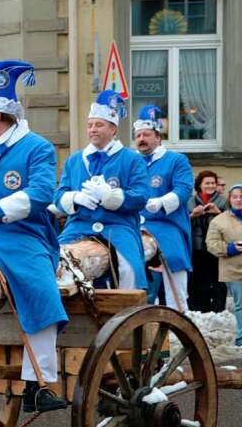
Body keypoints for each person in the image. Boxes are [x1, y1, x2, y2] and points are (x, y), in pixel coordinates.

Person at [0, 61, 68, 412]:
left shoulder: (37, 147)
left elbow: (41, 193)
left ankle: (37, 383)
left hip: (22, 237)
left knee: (40, 291)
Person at [54, 90, 148, 290]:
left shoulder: (132, 159)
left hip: (119, 226)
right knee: (55, 260)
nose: (92, 130)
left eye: (99, 125)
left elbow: (141, 197)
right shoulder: (75, 160)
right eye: (90, 125)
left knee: (129, 269)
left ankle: (128, 312)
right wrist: (75, 197)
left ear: (113, 129)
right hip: (79, 226)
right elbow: (58, 196)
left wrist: (111, 197)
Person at [132, 105, 193, 312]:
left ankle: (179, 310)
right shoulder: (131, 161)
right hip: (135, 224)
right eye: (138, 135)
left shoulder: (176, 160)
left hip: (166, 223)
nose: (141, 139)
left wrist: (162, 202)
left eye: (146, 134)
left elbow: (184, 189)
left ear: (158, 137)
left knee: (175, 258)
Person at [206, 184, 242, 346]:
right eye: (235, 196)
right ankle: (241, 339)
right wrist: (230, 248)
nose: (239, 199)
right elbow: (211, 244)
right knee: (241, 304)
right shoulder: (219, 220)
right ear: (230, 199)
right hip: (234, 269)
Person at [188, 170, 228, 312]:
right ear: (199, 185)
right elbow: (183, 224)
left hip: (217, 247)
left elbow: (232, 223)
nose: (211, 186)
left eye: (213, 183)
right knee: (198, 279)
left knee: (219, 280)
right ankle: (199, 309)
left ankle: (218, 310)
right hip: (197, 247)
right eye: (207, 183)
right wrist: (193, 215)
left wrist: (219, 213)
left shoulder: (224, 201)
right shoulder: (190, 201)